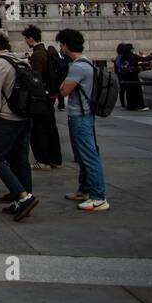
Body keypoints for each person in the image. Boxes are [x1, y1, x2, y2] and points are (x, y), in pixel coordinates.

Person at [54, 28, 110, 212]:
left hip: (80, 115)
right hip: (81, 114)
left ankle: (98, 197)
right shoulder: (85, 62)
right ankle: (84, 190)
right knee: (83, 154)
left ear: (65, 45)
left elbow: (63, 90)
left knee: (88, 155)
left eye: (61, 44)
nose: (60, 48)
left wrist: (63, 83)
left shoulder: (78, 66)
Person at [0, 33, 39, 220]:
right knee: (20, 159)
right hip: (25, 116)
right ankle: (23, 199)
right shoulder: (23, 60)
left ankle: (23, 196)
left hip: (7, 118)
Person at [22, 25, 63, 170]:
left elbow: (35, 79)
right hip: (50, 95)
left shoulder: (37, 55)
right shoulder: (46, 52)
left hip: (40, 98)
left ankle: (43, 160)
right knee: (51, 127)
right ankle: (55, 159)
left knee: (39, 129)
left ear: (31, 39)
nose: (26, 42)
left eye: (26, 39)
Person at [114, 43, 147, 111]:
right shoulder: (133, 56)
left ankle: (129, 106)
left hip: (124, 76)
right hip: (133, 76)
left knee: (128, 92)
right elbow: (142, 59)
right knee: (137, 91)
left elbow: (120, 67)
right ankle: (140, 106)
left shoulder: (122, 57)